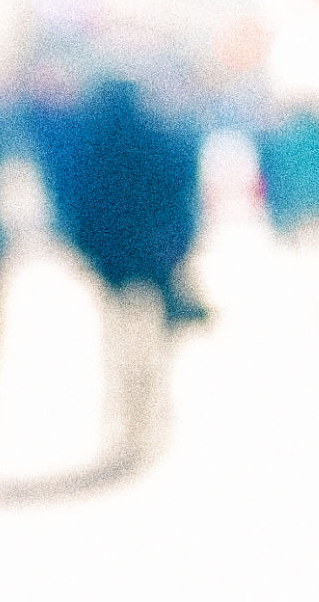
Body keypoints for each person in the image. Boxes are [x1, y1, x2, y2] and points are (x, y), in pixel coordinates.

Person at [46, 77, 203, 467]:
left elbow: (78, 199)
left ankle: (127, 411)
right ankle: (157, 406)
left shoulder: (92, 145)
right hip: (154, 252)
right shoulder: (157, 137)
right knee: (156, 334)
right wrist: (180, 242)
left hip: (113, 255)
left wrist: (86, 249)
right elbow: (180, 188)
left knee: (118, 334)